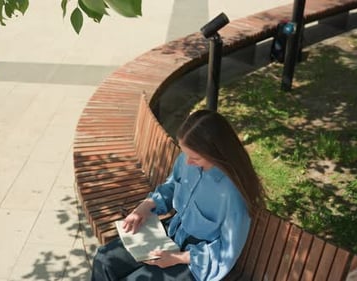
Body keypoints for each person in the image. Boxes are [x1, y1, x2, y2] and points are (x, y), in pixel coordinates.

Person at [90, 109, 266, 281]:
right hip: (172, 232)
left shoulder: (233, 194)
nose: (187, 162)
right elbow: (172, 186)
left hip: (196, 259)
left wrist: (178, 258)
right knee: (104, 259)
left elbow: (226, 250)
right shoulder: (186, 159)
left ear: (216, 153)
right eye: (185, 153)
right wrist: (145, 206)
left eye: (195, 158)